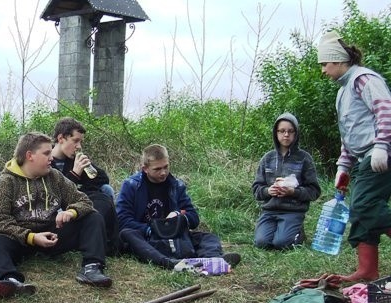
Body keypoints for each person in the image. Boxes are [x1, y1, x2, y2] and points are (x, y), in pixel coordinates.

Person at [0, 132, 113, 298]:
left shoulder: (54, 176)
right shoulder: (7, 181)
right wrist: (31, 237)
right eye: (46, 153)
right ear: (29, 155)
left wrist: (71, 212)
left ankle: (92, 268)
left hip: (53, 235)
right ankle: (10, 280)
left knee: (92, 217)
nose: (51, 157)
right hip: (20, 239)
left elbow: (84, 201)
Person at [316, 31, 391, 282]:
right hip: (363, 158)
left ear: (338, 61)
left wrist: (382, 145)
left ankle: (367, 269)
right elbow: (349, 132)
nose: (324, 71)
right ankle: (367, 270)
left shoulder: (364, 80)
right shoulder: (343, 92)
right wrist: (343, 165)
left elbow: (386, 110)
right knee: (359, 211)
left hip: (380, 154)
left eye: (325, 64)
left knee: (366, 206)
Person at [116, 144, 240, 270]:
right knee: (127, 234)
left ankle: (213, 260)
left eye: (166, 167)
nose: (163, 172)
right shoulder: (131, 185)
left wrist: (179, 216)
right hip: (147, 236)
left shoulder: (176, 185)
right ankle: (169, 263)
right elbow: (122, 219)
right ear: (145, 169)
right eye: (157, 169)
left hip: (174, 235)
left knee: (208, 237)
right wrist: (151, 230)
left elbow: (193, 217)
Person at [50, 117, 120, 255]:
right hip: (56, 210)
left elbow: (102, 179)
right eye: (75, 141)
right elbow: (54, 192)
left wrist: (88, 166)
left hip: (77, 204)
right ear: (61, 138)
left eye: (80, 141)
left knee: (106, 190)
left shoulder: (73, 158)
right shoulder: (47, 160)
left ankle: (107, 241)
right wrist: (75, 174)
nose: (79, 146)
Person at [252, 113, 321, 249]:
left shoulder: (304, 158)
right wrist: (268, 191)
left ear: (296, 134)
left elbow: (314, 191)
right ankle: (278, 230)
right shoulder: (267, 158)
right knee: (261, 243)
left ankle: (298, 232)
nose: (286, 135)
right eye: (282, 131)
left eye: (290, 131)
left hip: (293, 211)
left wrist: (293, 192)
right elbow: (256, 189)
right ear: (276, 133)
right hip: (270, 211)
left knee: (281, 243)